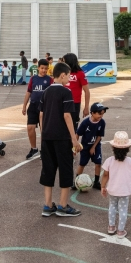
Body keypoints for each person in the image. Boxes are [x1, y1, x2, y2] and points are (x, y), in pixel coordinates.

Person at [39, 62, 82, 217]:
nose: (70, 78)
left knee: (48, 170)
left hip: (47, 138)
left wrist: (44, 134)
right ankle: (63, 206)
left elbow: (41, 115)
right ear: (62, 75)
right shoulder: (66, 92)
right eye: (69, 75)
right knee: (65, 170)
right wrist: (74, 139)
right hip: (62, 138)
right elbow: (67, 115)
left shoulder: (46, 92)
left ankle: (48, 205)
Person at [101, 131, 131, 238]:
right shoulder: (130, 161)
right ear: (127, 149)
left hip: (112, 190)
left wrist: (103, 186)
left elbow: (105, 175)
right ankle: (120, 231)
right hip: (124, 191)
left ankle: (111, 227)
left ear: (113, 148)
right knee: (123, 210)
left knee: (112, 207)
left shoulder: (109, 161)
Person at [73, 102, 108, 190]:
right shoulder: (85, 123)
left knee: (98, 163)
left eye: (103, 113)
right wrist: (75, 147)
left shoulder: (102, 122)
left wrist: (93, 147)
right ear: (92, 113)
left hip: (96, 146)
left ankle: (96, 182)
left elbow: (99, 136)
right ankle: (76, 182)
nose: (101, 116)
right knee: (82, 164)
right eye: (99, 113)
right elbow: (77, 134)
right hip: (85, 147)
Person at [22, 59, 52, 159]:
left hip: (44, 107)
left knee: (43, 129)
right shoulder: (33, 79)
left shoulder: (49, 80)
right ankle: (34, 149)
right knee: (30, 128)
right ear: (38, 68)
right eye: (42, 68)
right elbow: (28, 92)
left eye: (46, 69)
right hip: (33, 106)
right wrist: (24, 106)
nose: (44, 70)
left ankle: (45, 150)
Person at [63, 53, 91, 131]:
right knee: (62, 126)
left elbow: (87, 91)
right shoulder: (63, 73)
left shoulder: (80, 74)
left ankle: (73, 142)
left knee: (73, 126)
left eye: (64, 61)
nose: (63, 63)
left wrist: (86, 107)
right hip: (62, 102)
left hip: (74, 104)